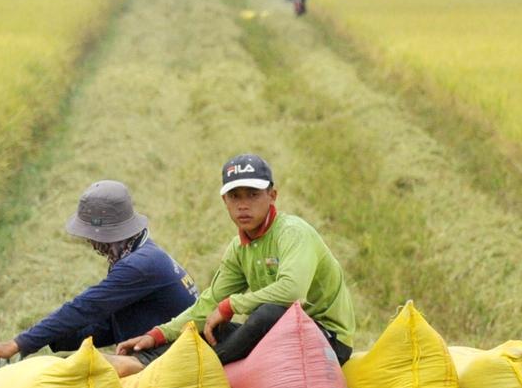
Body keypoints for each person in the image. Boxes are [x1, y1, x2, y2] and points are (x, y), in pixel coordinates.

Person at [116, 153, 356, 368]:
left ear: (272, 196)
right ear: (225, 201)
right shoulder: (239, 248)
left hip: (326, 338)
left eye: (253, 195)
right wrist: (158, 335)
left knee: (268, 313)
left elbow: (292, 292)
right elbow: (210, 303)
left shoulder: (292, 232)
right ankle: (143, 363)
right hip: (281, 336)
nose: (243, 205)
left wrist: (232, 305)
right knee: (210, 328)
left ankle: (207, 369)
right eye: (235, 196)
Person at [0, 180, 196, 365]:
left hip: (178, 355)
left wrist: (17, 344)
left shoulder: (139, 265)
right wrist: (54, 339)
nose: (90, 242)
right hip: (162, 346)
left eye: (92, 236)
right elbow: (113, 323)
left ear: (108, 233)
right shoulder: (140, 251)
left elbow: (86, 308)